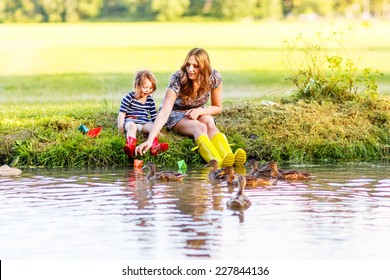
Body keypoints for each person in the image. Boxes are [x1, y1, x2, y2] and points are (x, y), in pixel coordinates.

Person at [135, 48, 246, 167]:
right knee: (200, 127)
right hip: (174, 113)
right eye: (188, 65)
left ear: (204, 67)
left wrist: (200, 111)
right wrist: (151, 139)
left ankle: (229, 157)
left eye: (195, 66)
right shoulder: (177, 78)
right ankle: (216, 164)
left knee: (209, 123)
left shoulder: (214, 77)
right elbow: (165, 111)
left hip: (195, 111)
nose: (190, 69)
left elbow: (218, 107)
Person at [117, 70, 168, 158]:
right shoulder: (129, 98)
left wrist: (157, 129)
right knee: (132, 127)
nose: (148, 90)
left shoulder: (150, 100)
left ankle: (154, 147)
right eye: (145, 87)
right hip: (130, 122)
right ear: (137, 86)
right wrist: (120, 127)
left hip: (143, 123)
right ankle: (130, 146)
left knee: (152, 127)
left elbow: (154, 116)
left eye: (150, 88)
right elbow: (122, 113)